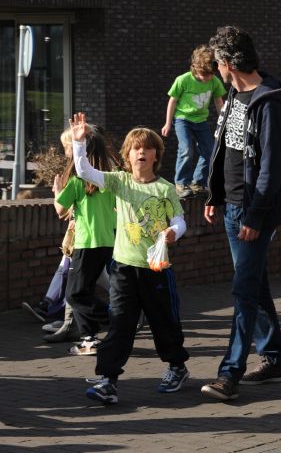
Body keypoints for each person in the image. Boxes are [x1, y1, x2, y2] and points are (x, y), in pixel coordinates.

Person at [69, 113, 189, 404]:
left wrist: (174, 231)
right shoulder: (119, 182)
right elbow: (85, 172)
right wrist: (78, 142)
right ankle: (108, 380)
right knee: (120, 323)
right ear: (127, 154)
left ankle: (176, 366)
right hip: (123, 268)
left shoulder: (164, 188)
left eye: (147, 148)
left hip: (156, 270)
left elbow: (180, 221)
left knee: (164, 321)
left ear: (156, 155)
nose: (141, 152)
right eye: (136, 148)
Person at [201, 26, 281, 401]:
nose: (217, 70)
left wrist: (255, 218)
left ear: (227, 63)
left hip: (253, 213)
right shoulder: (234, 96)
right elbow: (227, 150)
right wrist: (215, 194)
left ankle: (230, 373)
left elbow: (272, 169)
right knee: (254, 285)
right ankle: (275, 358)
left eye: (218, 64)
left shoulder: (268, 101)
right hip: (233, 207)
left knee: (243, 291)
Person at [53, 123, 117, 355]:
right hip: (108, 240)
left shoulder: (77, 180)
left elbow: (60, 210)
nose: (66, 152)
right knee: (84, 290)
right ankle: (89, 340)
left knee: (75, 293)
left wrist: (57, 192)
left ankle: (116, 319)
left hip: (87, 242)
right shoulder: (108, 177)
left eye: (67, 147)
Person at [161, 45, 226, 198]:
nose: (208, 78)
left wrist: (224, 121)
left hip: (201, 121)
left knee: (209, 151)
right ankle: (181, 183)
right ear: (195, 69)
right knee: (186, 149)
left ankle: (197, 182)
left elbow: (218, 101)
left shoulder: (214, 81)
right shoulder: (183, 80)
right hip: (183, 120)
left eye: (211, 74)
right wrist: (168, 123)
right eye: (204, 75)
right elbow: (173, 101)